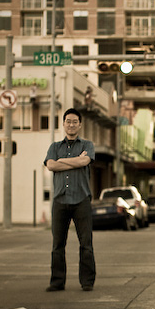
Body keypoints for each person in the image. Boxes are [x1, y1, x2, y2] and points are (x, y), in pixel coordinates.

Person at [44, 108, 96, 292]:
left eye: (75, 121)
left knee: (86, 244)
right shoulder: (54, 147)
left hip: (81, 199)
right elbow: (50, 165)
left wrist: (62, 162)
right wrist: (74, 160)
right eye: (68, 121)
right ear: (63, 124)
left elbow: (84, 162)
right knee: (57, 244)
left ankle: (87, 282)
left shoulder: (87, 145)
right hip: (60, 200)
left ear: (80, 125)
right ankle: (57, 282)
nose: (71, 124)